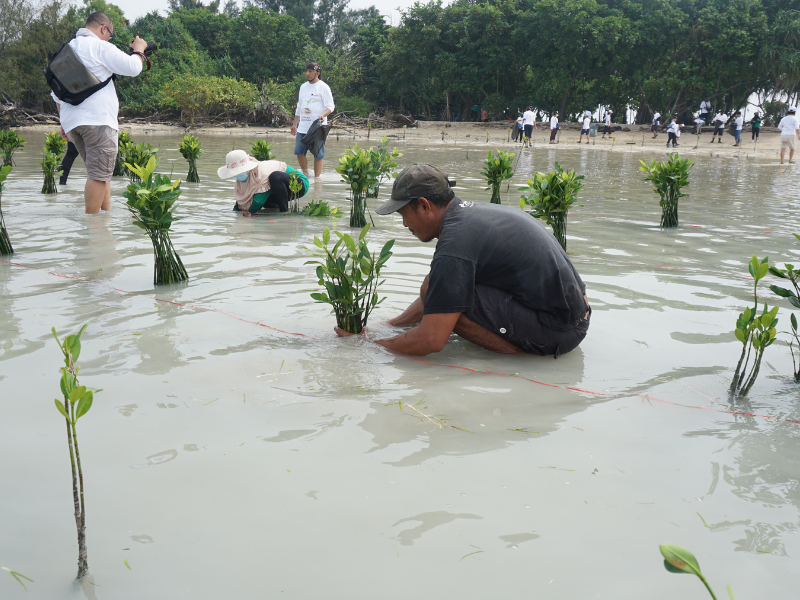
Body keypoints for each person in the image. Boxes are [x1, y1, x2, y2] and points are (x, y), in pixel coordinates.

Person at [335, 164, 590, 357]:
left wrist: (369, 347)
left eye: (404, 214)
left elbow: (431, 340)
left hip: (558, 330)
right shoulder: (469, 215)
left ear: (424, 206)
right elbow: (435, 290)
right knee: (436, 287)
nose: (405, 224)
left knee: (443, 301)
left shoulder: (456, 241)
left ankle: (522, 355)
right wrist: (386, 326)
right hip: (573, 314)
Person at [51, 12, 147, 214]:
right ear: (104, 28)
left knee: (101, 173)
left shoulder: (67, 49)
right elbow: (133, 67)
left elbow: (57, 93)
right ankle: (93, 227)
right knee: (98, 175)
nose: (108, 38)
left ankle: (105, 218)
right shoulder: (99, 46)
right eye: (109, 34)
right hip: (97, 121)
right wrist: (139, 50)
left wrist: (63, 123)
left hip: (73, 123)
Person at [217, 149, 309, 216]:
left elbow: (259, 198)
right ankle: (276, 210)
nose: (238, 175)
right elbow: (243, 196)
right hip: (280, 190)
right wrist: (235, 212)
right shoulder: (245, 178)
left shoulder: (261, 172)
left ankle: (283, 212)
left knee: (275, 177)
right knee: (264, 201)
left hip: (299, 185)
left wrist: (250, 212)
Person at [291, 62, 334, 179]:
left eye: (310, 71)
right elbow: (299, 106)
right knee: (299, 152)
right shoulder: (303, 87)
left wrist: (323, 114)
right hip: (303, 126)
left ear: (317, 73)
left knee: (318, 154)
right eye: (307, 71)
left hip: (318, 127)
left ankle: (317, 179)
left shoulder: (324, 87)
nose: (307, 74)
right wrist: (295, 124)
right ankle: (306, 175)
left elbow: (330, 107)